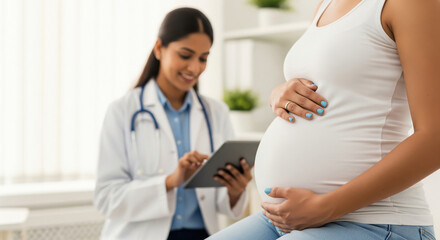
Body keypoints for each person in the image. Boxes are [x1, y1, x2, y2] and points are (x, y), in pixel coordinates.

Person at [208, 0, 439, 239]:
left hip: (374, 221)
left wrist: (325, 207)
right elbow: (329, 82)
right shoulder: (326, 4)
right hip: (281, 220)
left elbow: (435, 140)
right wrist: (281, 92)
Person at [94, 7, 253, 240]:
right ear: (159, 49)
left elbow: (221, 202)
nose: (195, 68)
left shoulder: (216, 112)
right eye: (185, 55)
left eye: (203, 59)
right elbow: (106, 198)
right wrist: (170, 182)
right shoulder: (122, 111)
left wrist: (235, 191)